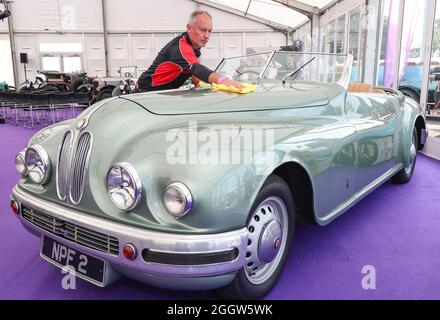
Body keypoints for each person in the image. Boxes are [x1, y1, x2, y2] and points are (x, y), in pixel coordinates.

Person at [137, 10, 244, 92]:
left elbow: (191, 69)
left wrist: (198, 85)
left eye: (209, 31)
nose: (207, 36)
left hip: (163, 91)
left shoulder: (193, 46)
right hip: (146, 91)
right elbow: (196, 68)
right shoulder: (181, 47)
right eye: (202, 30)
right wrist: (224, 81)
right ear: (189, 28)